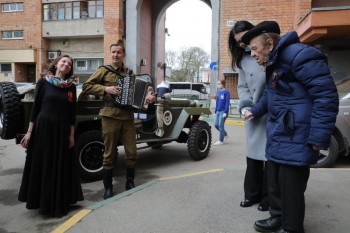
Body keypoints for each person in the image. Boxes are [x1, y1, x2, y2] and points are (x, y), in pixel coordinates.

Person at [241, 21, 339, 233]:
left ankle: (292, 227)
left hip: (298, 134)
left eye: (255, 49)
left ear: (269, 43)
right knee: (275, 181)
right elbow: (270, 94)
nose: (253, 55)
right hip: (281, 132)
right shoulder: (276, 62)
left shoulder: (301, 55)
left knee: (291, 186)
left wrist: (318, 138)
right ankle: (277, 218)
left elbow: (326, 97)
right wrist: (255, 111)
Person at [82, 39, 155, 199]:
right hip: (110, 116)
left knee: (132, 153)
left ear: (123, 55)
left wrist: (149, 98)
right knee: (109, 154)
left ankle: (130, 181)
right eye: (113, 52)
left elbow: (140, 93)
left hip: (127, 117)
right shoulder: (104, 70)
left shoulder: (129, 73)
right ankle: (108, 187)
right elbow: (86, 86)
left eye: (118, 52)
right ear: (110, 54)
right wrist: (105, 88)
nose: (115, 55)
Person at [18, 55, 84, 217]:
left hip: (62, 129)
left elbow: (71, 114)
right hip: (43, 128)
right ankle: (42, 202)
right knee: (44, 163)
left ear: (70, 69)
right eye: (63, 61)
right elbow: (35, 109)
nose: (66, 64)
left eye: (69, 64)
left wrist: (71, 135)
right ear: (56, 64)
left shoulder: (70, 87)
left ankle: (58, 203)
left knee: (59, 164)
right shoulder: (43, 82)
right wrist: (29, 132)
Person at [228, 20, 269, 211]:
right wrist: (244, 107)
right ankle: (252, 194)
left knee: (270, 158)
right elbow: (243, 87)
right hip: (252, 113)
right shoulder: (242, 60)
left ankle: (269, 197)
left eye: (245, 40)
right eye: (238, 42)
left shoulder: (267, 51)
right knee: (252, 157)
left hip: (271, 111)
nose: (243, 45)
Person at [213, 79, 230, 146]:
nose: (218, 85)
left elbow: (227, 102)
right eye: (217, 83)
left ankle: (221, 140)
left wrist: (225, 112)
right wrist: (215, 111)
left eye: (219, 84)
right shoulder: (219, 92)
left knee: (220, 125)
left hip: (223, 111)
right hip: (218, 111)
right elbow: (217, 102)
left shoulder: (226, 92)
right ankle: (225, 134)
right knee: (216, 125)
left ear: (223, 84)